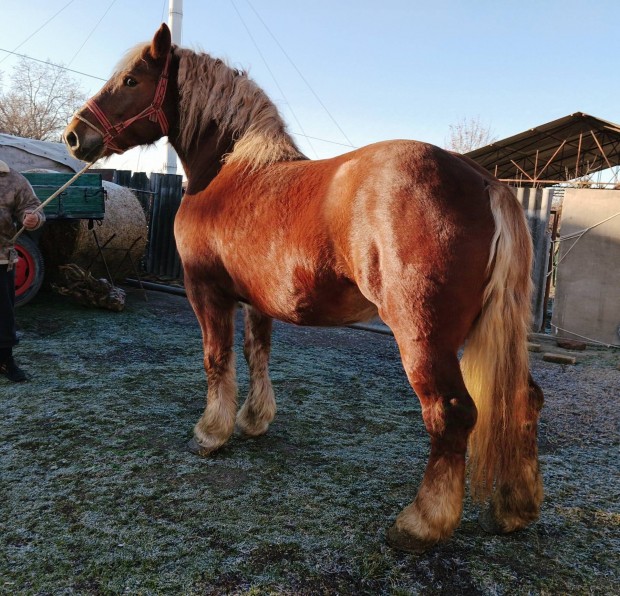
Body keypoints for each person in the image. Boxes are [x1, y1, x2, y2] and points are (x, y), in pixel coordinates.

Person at [0, 159, 45, 382]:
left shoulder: (14, 179)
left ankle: (5, 361)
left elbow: (32, 207)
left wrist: (33, 218)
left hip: (1, 259)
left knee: (3, 315)